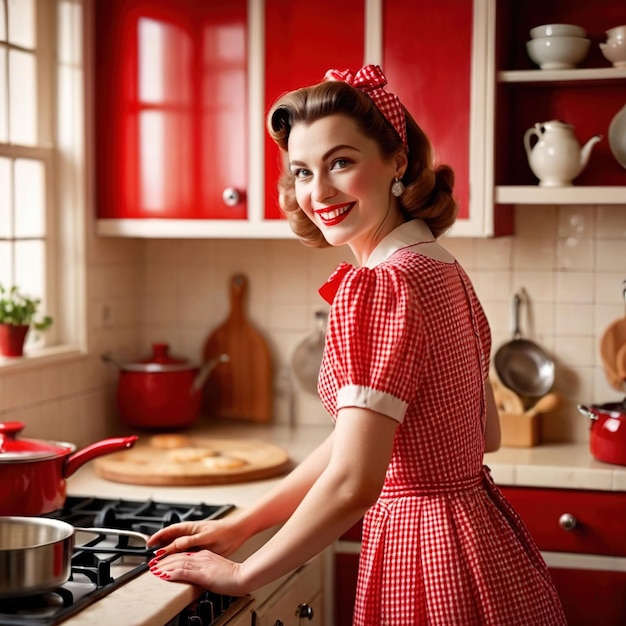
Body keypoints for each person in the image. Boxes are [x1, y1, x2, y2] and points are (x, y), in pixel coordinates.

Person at [147, 64, 566, 625]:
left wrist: (244, 573)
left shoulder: (379, 286)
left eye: (340, 162)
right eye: (302, 171)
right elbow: (477, 436)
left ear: (397, 161)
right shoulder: (443, 271)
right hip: (486, 545)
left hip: (424, 556)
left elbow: (354, 479)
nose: (317, 192)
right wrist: (241, 524)